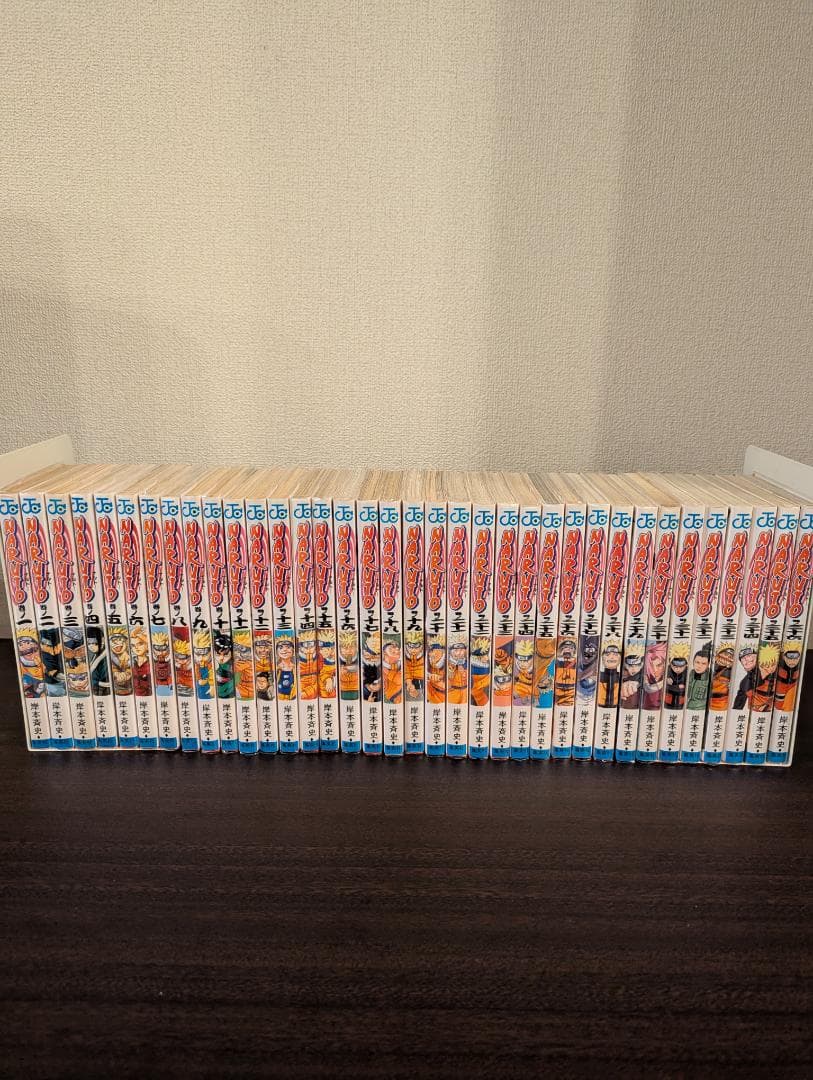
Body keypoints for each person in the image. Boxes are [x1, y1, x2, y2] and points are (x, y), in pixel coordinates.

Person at [685, 643, 711, 711]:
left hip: (701, 708)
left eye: (703, 664)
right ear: (693, 662)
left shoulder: (710, 677)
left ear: (708, 665)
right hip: (687, 706)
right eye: (697, 662)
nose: (699, 666)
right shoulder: (691, 673)